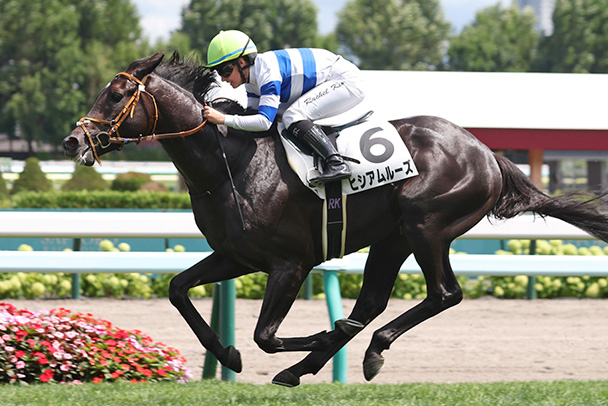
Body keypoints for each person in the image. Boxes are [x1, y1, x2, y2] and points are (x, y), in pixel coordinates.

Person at [203, 30, 366, 184]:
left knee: (292, 116)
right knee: (283, 117)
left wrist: (223, 119)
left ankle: (336, 163)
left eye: (225, 71)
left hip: (344, 81)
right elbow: (253, 117)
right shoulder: (251, 82)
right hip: (327, 80)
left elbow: (264, 121)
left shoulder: (266, 73)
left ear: (241, 62)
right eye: (218, 72)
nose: (223, 79)